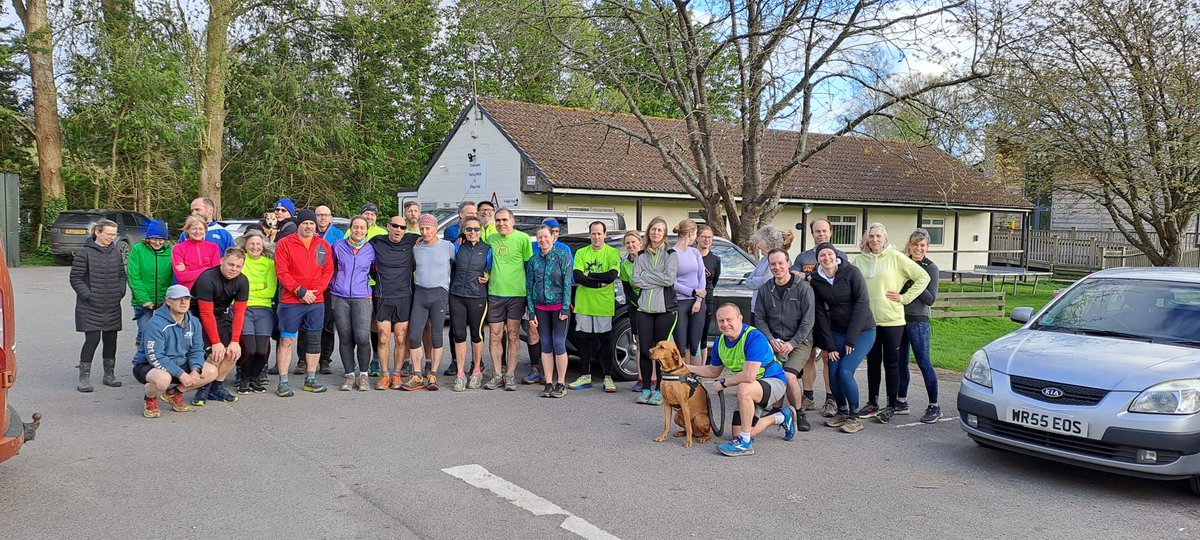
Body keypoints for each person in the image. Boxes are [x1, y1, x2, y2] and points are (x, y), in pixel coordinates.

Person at [687, 304, 796, 456]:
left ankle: (745, 443)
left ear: (740, 319)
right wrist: (685, 367)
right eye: (721, 321)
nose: (725, 324)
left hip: (774, 381)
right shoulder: (720, 342)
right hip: (753, 387)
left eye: (729, 319)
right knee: (737, 433)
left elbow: (749, 376)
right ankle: (782, 416)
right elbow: (713, 371)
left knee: (744, 388)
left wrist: (723, 383)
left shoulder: (754, 337)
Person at [853, 223, 930, 423]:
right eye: (871, 236)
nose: (875, 240)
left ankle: (891, 405)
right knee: (872, 363)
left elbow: (923, 277)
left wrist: (905, 298)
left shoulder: (896, 257)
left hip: (892, 320)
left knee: (892, 363)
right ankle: (872, 402)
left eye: (878, 236)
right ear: (866, 238)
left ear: (885, 238)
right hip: (869, 321)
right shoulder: (859, 260)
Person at [810, 242, 877, 434]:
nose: (827, 258)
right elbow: (820, 313)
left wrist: (851, 339)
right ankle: (842, 411)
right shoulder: (817, 280)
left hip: (862, 331)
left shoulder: (851, 272)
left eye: (829, 254)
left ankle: (855, 417)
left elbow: (862, 303)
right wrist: (829, 345)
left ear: (836, 255)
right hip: (837, 331)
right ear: (818, 259)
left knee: (845, 372)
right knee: (833, 372)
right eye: (822, 255)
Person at [272, 209, 335, 396]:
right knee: (286, 340)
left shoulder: (323, 245)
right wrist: (300, 291)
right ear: (298, 225)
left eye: (311, 223)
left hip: (316, 301)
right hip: (291, 301)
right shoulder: (284, 243)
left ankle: (311, 379)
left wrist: (315, 292)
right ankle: (283, 382)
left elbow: (328, 271)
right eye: (305, 223)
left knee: (314, 341)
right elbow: (282, 272)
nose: (308, 227)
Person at [753, 248, 815, 432]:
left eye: (781, 263)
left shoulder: (804, 288)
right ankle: (776, 409)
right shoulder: (765, 289)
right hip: (774, 340)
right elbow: (759, 318)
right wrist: (771, 339)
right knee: (773, 372)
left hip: (799, 341)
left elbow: (808, 321)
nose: (777, 267)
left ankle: (798, 412)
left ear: (788, 263)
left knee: (788, 375)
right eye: (773, 264)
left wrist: (792, 343)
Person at [132, 285, 219, 418]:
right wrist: (181, 374)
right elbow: (155, 356)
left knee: (211, 371)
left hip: (179, 362)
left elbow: (196, 349)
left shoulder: (194, 322)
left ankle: (173, 393)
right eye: (178, 299)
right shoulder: (155, 324)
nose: (183, 302)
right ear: (168, 301)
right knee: (162, 380)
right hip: (149, 365)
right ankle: (150, 398)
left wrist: (195, 369)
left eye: (186, 298)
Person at [792, 218, 849, 417]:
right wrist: (801, 276)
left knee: (827, 357)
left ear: (830, 232)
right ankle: (808, 397)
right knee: (807, 355)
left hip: (831, 314)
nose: (821, 234)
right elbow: (793, 276)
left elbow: (842, 281)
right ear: (812, 233)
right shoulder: (803, 257)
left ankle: (831, 399)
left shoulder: (840, 256)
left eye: (824, 231)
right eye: (817, 231)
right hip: (808, 312)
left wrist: (807, 277)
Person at [398, 214, 455, 391]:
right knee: (414, 335)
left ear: (436, 228)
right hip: (420, 293)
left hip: (439, 294)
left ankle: (433, 374)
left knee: (436, 336)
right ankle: (417, 374)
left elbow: (459, 266)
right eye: (422, 228)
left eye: (428, 228)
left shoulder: (448, 246)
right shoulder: (416, 247)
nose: (425, 232)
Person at [70, 218, 128, 392]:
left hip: (112, 305)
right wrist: (88, 295)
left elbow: (121, 275)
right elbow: (75, 278)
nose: (112, 237)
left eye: (114, 234)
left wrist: (120, 292)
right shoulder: (84, 253)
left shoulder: (116, 252)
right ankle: (84, 378)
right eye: (109, 234)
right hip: (90, 306)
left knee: (111, 340)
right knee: (92, 339)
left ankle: (109, 374)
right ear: (97, 232)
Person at [190, 248, 249, 406]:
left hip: (221, 315)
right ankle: (204, 386)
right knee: (215, 352)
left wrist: (235, 341)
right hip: (197, 315)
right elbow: (206, 313)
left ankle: (216, 387)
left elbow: (239, 312)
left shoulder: (242, 281)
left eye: (238, 266)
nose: (234, 269)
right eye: (231, 264)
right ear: (222, 261)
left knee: (233, 352)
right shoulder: (207, 278)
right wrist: (215, 342)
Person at [567, 221, 621, 393]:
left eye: (599, 233)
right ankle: (585, 375)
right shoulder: (581, 252)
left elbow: (611, 276)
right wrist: (598, 282)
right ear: (590, 234)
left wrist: (588, 275)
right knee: (584, 341)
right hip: (584, 304)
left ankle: (608, 377)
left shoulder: (612, 252)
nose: (596, 237)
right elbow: (577, 276)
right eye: (593, 233)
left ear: (605, 234)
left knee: (605, 341)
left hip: (603, 305)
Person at [483, 208, 533, 391]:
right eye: (498, 220)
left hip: (516, 294)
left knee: (513, 335)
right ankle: (497, 374)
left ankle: (510, 375)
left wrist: (529, 296)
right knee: (495, 335)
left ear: (513, 221)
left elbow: (529, 267)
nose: (501, 223)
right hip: (495, 293)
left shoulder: (523, 238)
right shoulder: (490, 239)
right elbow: (486, 264)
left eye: (504, 220)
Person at [632, 216, 678, 406]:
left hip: (665, 310)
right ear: (648, 231)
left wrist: (647, 275)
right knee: (645, 350)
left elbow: (669, 279)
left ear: (664, 233)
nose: (656, 232)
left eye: (659, 230)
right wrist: (656, 277)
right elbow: (636, 280)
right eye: (653, 229)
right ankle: (645, 389)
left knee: (660, 353)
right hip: (644, 309)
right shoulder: (640, 255)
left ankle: (659, 390)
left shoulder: (671, 254)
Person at [369, 214, 418, 389]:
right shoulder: (376, 241)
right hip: (382, 295)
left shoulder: (412, 240)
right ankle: (384, 375)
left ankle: (396, 374)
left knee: (400, 338)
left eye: (402, 227)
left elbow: (431, 237)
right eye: (395, 226)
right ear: (388, 226)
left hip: (404, 296)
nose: (398, 230)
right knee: (383, 337)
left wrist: (462, 236)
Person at [898, 228, 941, 423]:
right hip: (899, 318)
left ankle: (934, 405)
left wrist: (917, 281)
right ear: (910, 245)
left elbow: (930, 299)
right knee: (900, 361)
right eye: (915, 244)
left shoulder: (930, 268)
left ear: (927, 247)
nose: (918, 248)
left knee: (923, 362)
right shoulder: (903, 263)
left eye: (922, 245)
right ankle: (901, 401)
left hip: (918, 320)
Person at [329, 216, 376, 391]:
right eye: (355, 227)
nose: (358, 230)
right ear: (350, 228)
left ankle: (363, 375)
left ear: (367, 230)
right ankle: (349, 375)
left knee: (362, 338)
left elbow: (375, 271)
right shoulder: (338, 246)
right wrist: (332, 286)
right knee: (345, 338)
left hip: (362, 297)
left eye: (362, 228)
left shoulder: (371, 249)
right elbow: (329, 268)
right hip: (340, 297)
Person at [527, 225, 573, 398]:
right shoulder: (533, 260)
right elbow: (529, 286)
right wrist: (531, 312)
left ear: (553, 237)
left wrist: (565, 307)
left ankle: (560, 383)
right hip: (540, 308)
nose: (543, 240)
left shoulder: (562, 256)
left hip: (559, 307)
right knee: (545, 344)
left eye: (546, 236)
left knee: (559, 343)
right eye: (540, 237)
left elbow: (567, 283)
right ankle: (548, 382)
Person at [449, 216, 491, 391]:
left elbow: (491, 269)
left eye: (476, 229)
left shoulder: (487, 249)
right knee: (459, 335)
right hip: (457, 295)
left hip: (477, 296)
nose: (473, 232)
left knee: (476, 335)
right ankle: (460, 374)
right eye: (469, 229)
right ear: (463, 231)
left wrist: (488, 276)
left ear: (480, 231)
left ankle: (476, 371)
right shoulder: (457, 246)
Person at [236, 230, 275, 394]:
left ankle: (255, 377)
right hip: (243, 308)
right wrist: (259, 287)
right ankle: (244, 379)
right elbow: (237, 289)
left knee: (262, 351)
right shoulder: (240, 261)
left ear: (263, 246)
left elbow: (270, 291)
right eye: (251, 243)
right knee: (249, 349)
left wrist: (248, 288)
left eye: (258, 243)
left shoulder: (269, 264)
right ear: (245, 245)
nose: (255, 247)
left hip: (264, 309)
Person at [128, 219, 173, 347]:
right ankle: (142, 354)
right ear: (148, 238)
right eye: (153, 238)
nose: (157, 242)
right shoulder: (137, 249)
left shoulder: (171, 251)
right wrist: (144, 299)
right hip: (142, 301)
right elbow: (133, 276)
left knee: (164, 332)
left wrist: (168, 298)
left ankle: (160, 356)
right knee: (145, 331)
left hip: (165, 301)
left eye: (161, 239)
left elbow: (174, 276)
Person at [671, 219, 706, 365]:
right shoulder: (672, 254)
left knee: (695, 344)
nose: (696, 237)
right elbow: (671, 282)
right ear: (690, 234)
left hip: (697, 302)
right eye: (696, 233)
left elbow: (701, 277)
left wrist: (698, 299)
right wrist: (692, 292)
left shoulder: (695, 252)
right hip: (679, 302)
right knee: (681, 344)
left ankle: (695, 375)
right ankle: (683, 374)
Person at [359, 202, 387, 376]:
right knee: (359, 325)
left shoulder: (382, 233)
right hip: (358, 286)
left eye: (372, 214)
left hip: (376, 285)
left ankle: (376, 358)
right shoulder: (353, 230)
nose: (369, 217)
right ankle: (357, 360)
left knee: (375, 324)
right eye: (366, 213)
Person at [313, 205, 342, 375]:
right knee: (308, 323)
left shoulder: (338, 234)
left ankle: (325, 359)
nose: (322, 218)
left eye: (326, 215)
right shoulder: (309, 231)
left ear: (330, 217)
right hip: (310, 284)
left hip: (330, 285)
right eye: (319, 215)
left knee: (328, 324)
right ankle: (303, 359)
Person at [744, 225, 785, 328]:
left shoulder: (780, 259)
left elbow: (767, 281)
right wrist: (759, 279)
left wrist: (756, 280)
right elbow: (748, 282)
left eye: (759, 241)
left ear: (768, 243)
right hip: (755, 308)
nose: (758, 245)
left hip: (770, 310)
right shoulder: (763, 260)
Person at [618, 231, 644, 392]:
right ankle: (641, 378)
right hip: (636, 307)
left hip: (652, 306)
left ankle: (655, 378)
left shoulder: (647, 260)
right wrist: (639, 303)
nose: (631, 245)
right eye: (627, 243)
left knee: (653, 345)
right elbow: (627, 290)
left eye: (633, 242)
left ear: (640, 242)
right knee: (639, 344)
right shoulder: (625, 265)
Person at [173, 215, 221, 291]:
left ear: (205, 230)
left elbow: (216, 273)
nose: (198, 232)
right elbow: (181, 276)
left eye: (200, 229)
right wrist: (207, 269)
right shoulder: (178, 248)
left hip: (209, 290)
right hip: (187, 292)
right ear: (187, 230)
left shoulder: (213, 247)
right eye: (194, 229)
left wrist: (188, 271)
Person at [697, 225, 721, 363]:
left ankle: (702, 366)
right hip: (691, 297)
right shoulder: (692, 255)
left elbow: (715, 279)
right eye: (704, 237)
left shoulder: (715, 259)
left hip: (708, 298)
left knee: (704, 334)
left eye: (710, 237)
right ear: (697, 238)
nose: (707, 240)